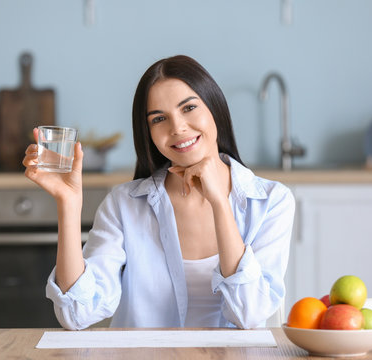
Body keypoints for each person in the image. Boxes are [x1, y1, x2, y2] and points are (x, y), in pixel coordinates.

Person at [22, 55, 295, 330]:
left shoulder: (272, 202)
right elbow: (78, 314)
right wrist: (68, 204)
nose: (177, 128)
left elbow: (249, 314)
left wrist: (219, 203)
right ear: (148, 133)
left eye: (188, 108)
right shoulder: (123, 204)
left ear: (215, 108)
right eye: (159, 118)